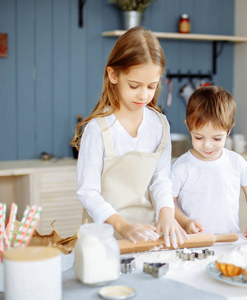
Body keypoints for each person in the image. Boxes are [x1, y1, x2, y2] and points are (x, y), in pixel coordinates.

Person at [71, 27, 187, 248]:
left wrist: (166, 214)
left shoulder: (159, 125)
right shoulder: (99, 129)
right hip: (104, 236)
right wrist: (122, 226)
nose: (143, 95)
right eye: (134, 86)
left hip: (148, 234)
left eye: (151, 86)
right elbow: (88, 192)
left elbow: (161, 180)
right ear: (113, 75)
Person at [170, 86, 247, 239]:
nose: (207, 145)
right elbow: (167, 202)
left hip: (230, 238)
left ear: (229, 130)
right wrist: (185, 222)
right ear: (188, 127)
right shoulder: (181, 167)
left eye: (217, 138)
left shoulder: (235, 161)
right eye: (199, 137)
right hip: (195, 242)